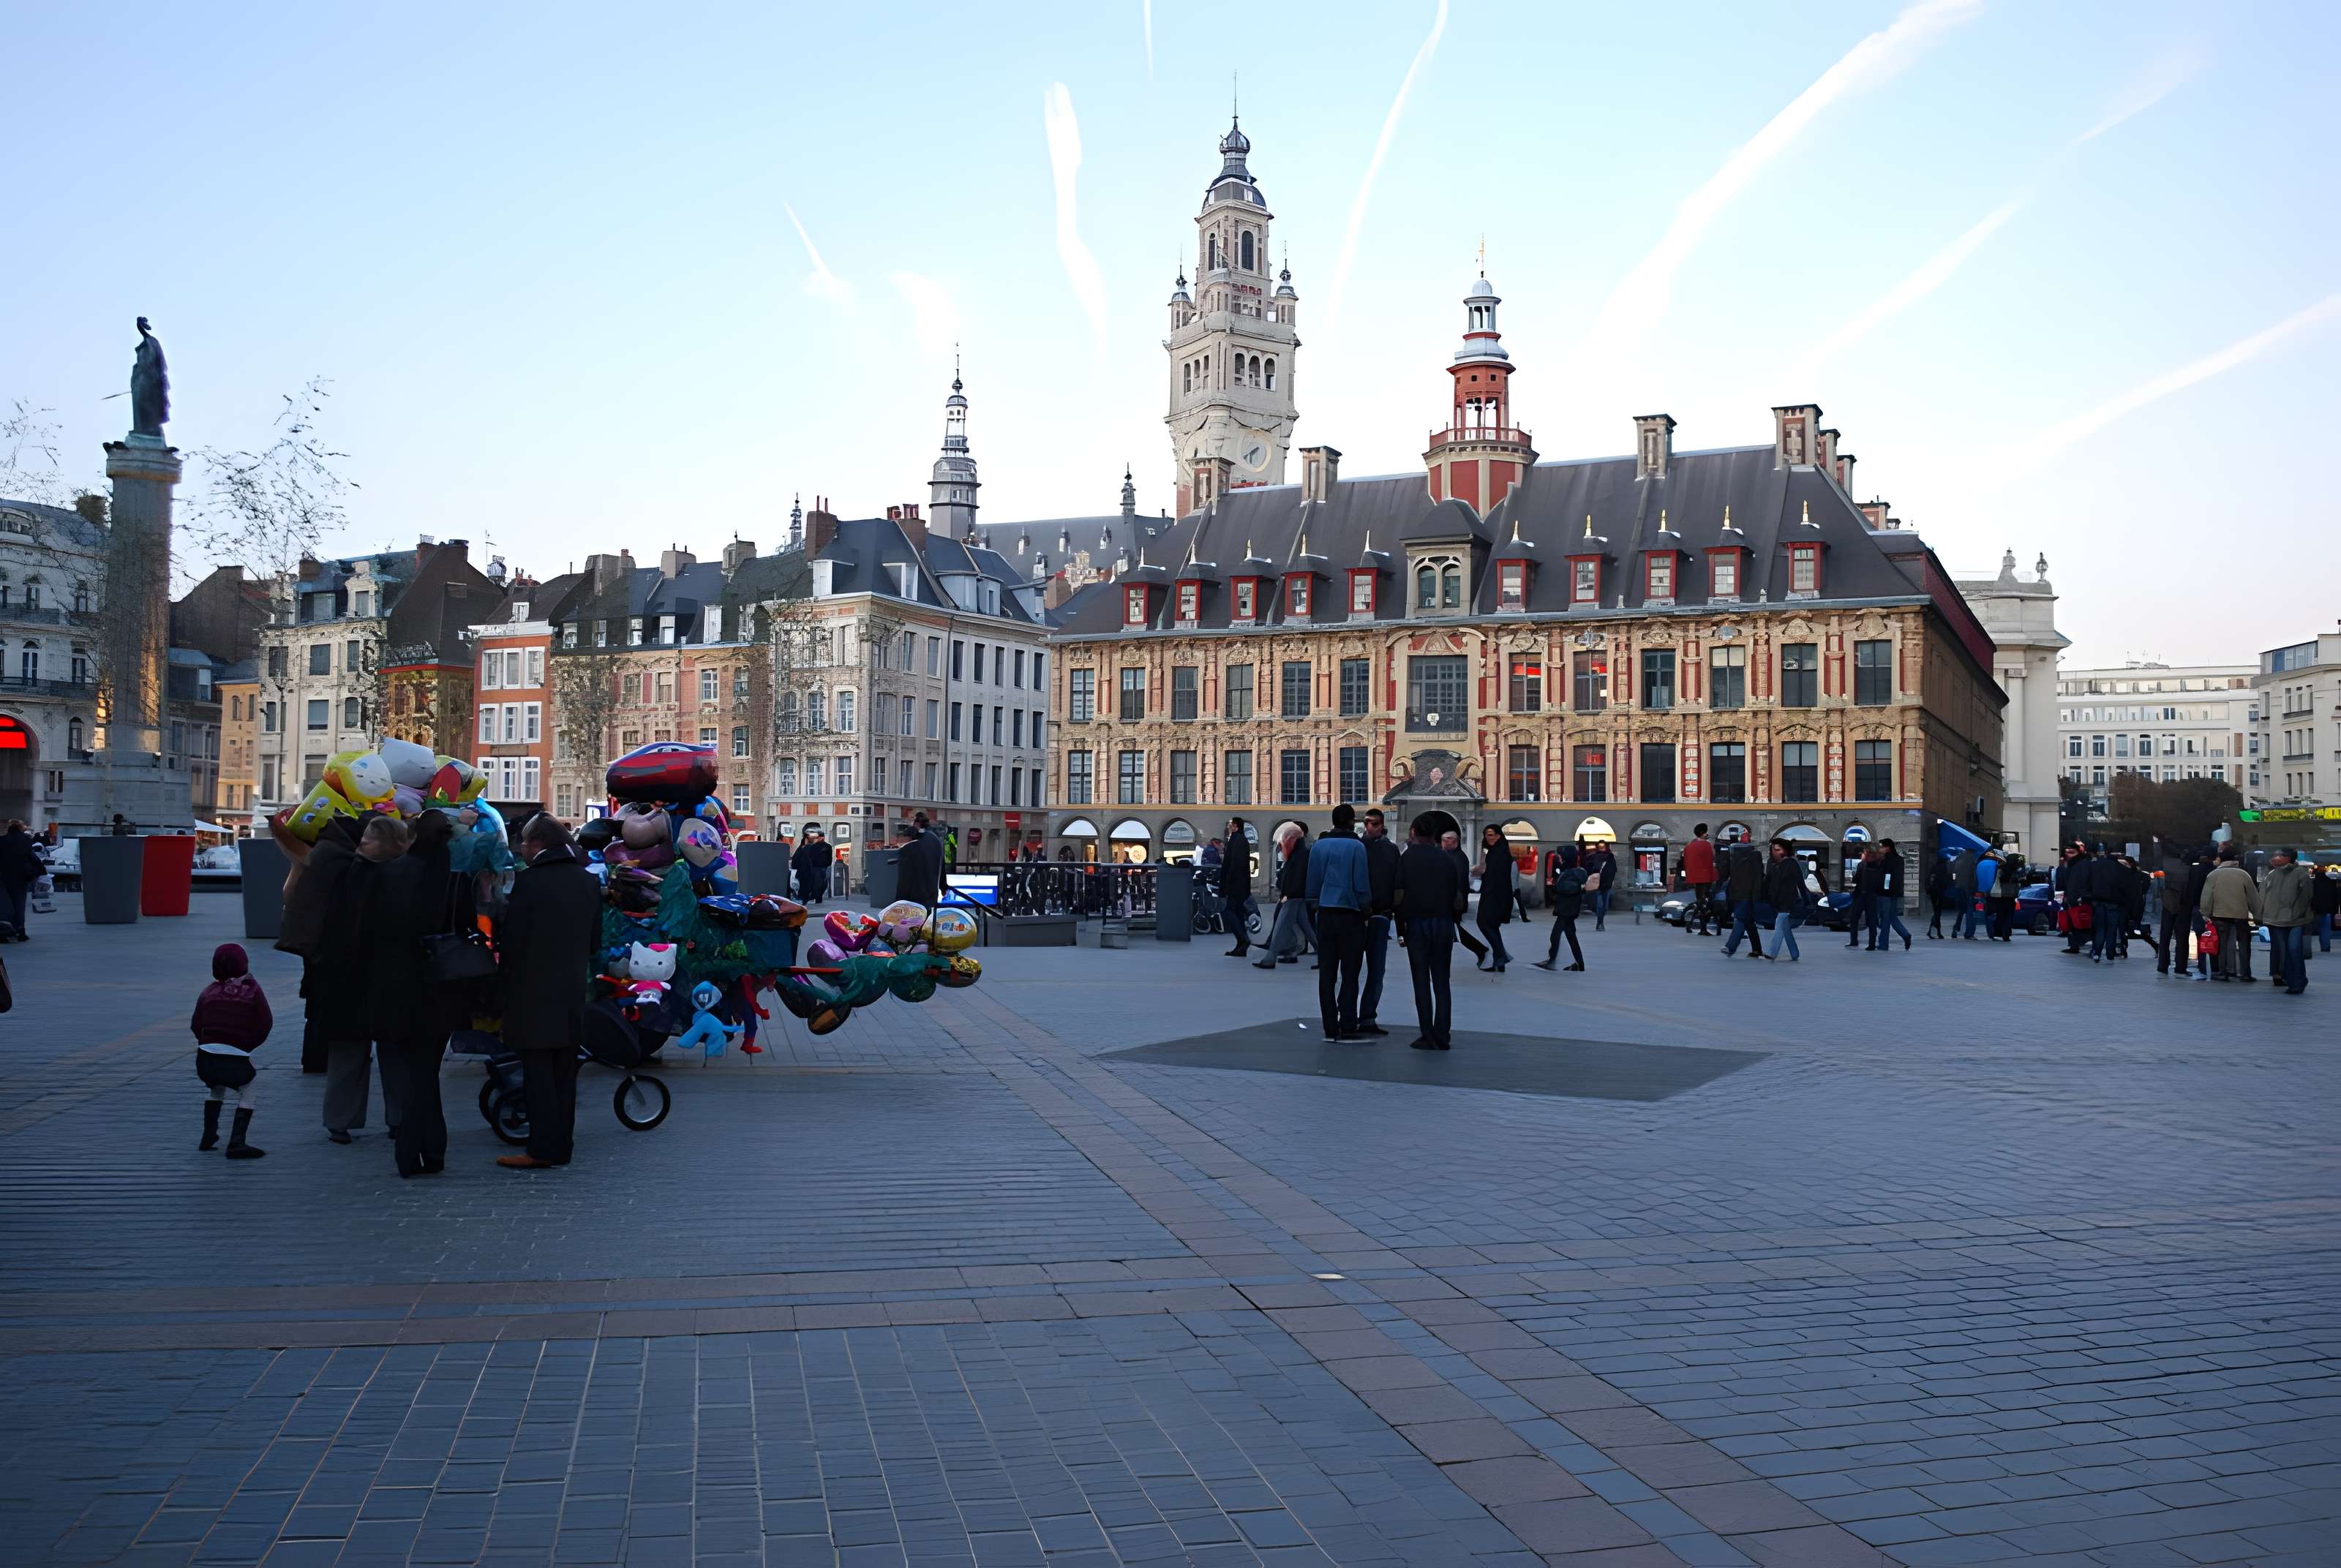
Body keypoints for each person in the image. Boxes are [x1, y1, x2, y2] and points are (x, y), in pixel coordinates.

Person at [495, 815, 604, 1169]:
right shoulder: (587, 882)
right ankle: (562, 1145)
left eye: (524, 843)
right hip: (571, 992)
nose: (521, 849)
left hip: (533, 993)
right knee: (564, 1075)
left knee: (538, 1074)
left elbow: (511, 942)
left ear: (538, 845)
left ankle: (540, 1148)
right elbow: (594, 942)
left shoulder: (530, 882)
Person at [367, 811, 468, 1177]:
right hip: (443, 988)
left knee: (414, 1072)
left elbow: (371, 934)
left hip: (398, 987)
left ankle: (411, 1151)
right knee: (427, 1070)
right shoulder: (456, 880)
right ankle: (430, 1149)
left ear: (411, 838)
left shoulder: (390, 875)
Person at [318, 816, 404, 1143]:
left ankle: (340, 1120)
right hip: (382, 979)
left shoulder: (347, 874)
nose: (364, 840)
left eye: (371, 836)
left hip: (350, 979)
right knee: (393, 1053)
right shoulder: (401, 876)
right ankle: (397, 1117)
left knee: (350, 1053)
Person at [192, 942, 272, 1160]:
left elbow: (196, 1023)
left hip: (205, 1059)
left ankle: (209, 1135)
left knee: (216, 1088)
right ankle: (237, 1142)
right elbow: (265, 1022)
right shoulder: (253, 989)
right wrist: (247, 1046)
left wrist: (206, 1042)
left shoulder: (208, 991)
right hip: (235, 1057)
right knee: (249, 1089)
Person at [1394, 819, 1466, 1049]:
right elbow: (1458, 896)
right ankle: (1443, 1034)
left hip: (1417, 924)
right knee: (1442, 982)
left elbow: (1398, 894)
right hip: (1443, 924)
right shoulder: (1445, 858)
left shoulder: (1407, 858)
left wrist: (1400, 928)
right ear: (1435, 836)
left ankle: (1427, 1033)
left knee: (1421, 981)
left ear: (1414, 833)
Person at [1304, 804, 1372, 1039]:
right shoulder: (1357, 847)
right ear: (1352, 822)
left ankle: (1330, 1024)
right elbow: (1361, 883)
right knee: (1351, 971)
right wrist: (1366, 909)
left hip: (1326, 913)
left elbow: (1312, 884)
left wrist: (1316, 905)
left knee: (1327, 972)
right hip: (1351, 914)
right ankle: (1348, 1021)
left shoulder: (1319, 847)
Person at [1356, 810, 1401, 1036]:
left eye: (1377, 823)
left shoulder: (1391, 850)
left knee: (1376, 970)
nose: (1374, 827)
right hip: (1356, 917)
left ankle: (1367, 1017)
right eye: (1371, 823)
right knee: (1353, 969)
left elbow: (1398, 882)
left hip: (1380, 915)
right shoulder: (1357, 847)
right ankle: (1347, 1014)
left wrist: (1393, 910)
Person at [2198, 846, 2260, 984]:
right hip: (2240, 914)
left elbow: (2207, 896)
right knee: (2244, 944)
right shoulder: (2244, 875)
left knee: (2223, 944)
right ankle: (2246, 973)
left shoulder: (2213, 875)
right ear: (2235, 859)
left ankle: (2223, 972)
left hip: (2220, 915)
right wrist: (2257, 915)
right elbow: (2253, 897)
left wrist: (2206, 912)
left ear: (2220, 859)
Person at [1254, 823, 1312, 968]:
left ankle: (1270, 958)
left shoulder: (1300, 855)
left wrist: (1287, 894)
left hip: (1293, 897)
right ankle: (1313, 953)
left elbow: (1296, 878)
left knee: (1280, 927)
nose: (1284, 841)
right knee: (1307, 929)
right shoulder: (1298, 853)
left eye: (1287, 838)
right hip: (1294, 897)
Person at [2261, 848, 2314, 996]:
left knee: (2294, 950)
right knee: (2285, 952)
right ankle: (2293, 981)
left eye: (2278, 855)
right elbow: (2264, 895)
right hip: (2276, 920)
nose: (2274, 858)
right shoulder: (2272, 874)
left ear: (2287, 857)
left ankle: (2298, 982)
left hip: (2296, 920)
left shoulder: (2300, 873)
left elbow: (2306, 896)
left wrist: (2297, 913)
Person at [1533, 843, 1586, 971]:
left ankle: (1552, 961)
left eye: (1561, 857)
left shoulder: (1571, 873)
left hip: (1567, 909)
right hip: (1568, 908)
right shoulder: (1569, 872)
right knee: (1570, 936)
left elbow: (1568, 889)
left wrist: (1557, 888)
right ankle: (1579, 964)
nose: (1560, 859)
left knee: (1555, 935)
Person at [1440, 831, 1490, 965]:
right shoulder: (1450, 856)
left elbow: (1457, 881)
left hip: (1452, 901)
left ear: (1455, 842)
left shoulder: (1457, 858)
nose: (1445, 842)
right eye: (1444, 839)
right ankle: (1481, 950)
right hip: (1451, 901)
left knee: (1452, 932)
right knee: (1453, 931)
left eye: (1449, 839)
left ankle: (1481, 950)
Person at [1473, 825, 1515, 973]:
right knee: (1492, 925)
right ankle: (1500, 960)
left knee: (1484, 923)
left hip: (1495, 894)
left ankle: (1501, 956)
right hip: (1497, 893)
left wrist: (1482, 874)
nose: (1488, 838)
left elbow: (1496, 876)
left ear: (1499, 836)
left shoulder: (1499, 852)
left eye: (1491, 835)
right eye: (1486, 835)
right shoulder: (1498, 850)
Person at [1720, 840, 1765, 960]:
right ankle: (1757, 950)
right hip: (1740, 895)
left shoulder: (1750, 859)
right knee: (1749, 923)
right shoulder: (1735, 861)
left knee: (1740, 919)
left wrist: (1756, 896)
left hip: (1746, 896)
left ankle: (1730, 947)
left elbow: (1757, 879)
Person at [1762, 840, 1805, 961]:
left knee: (1780, 924)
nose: (1775, 852)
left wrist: (1807, 901)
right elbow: (1768, 881)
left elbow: (1801, 883)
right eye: (1774, 849)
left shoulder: (1792, 864)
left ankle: (1772, 952)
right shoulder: (1772, 863)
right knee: (1785, 927)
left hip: (1788, 898)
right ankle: (1794, 953)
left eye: (1778, 849)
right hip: (1775, 899)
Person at [1220, 818, 1257, 957]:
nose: (1228, 826)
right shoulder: (1237, 839)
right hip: (1238, 884)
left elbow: (1235, 864)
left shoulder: (1239, 840)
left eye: (1230, 824)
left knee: (1230, 911)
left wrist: (1228, 883)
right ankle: (1241, 946)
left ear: (1235, 825)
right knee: (1238, 914)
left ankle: (1244, 939)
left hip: (1236, 885)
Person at [0, 818, 40, 942]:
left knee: (4, 905)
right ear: (20, 828)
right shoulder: (25, 840)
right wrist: (41, 871)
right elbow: (32, 857)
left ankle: (4, 932)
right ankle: (21, 931)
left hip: (4, 878)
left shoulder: (2, 841)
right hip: (21, 878)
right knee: (19, 904)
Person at [894, 814, 944, 910]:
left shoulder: (909, 848)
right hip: (931, 895)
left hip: (913, 899)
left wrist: (898, 901)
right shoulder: (936, 840)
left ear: (916, 824)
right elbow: (942, 866)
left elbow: (905, 878)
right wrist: (943, 886)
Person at [1873, 840, 1913, 950]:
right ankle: (1905, 935)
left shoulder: (1885, 860)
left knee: (1885, 919)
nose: (1880, 849)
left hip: (1885, 893)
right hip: (1895, 893)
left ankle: (1883, 944)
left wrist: (1883, 888)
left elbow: (1885, 877)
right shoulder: (1900, 860)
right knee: (1892, 918)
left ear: (1888, 848)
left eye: (1881, 847)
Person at [1680, 824, 1717, 936]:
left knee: (1700, 901)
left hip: (1695, 877)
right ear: (1703, 833)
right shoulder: (1707, 845)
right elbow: (1712, 857)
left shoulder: (1689, 846)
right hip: (1706, 876)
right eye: (1706, 832)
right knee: (1704, 901)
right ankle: (1702, 927)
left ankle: (1691, 923)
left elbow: (1686, 861)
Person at [1848, 845, 1883, 949]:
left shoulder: (1862, 865)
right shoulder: (1879, 866)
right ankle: (1871, 944)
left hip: (1860, 895)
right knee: (1871, 921)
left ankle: (1854, 941)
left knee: (1854, 919)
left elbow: (1855, 879)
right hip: (1873, 896)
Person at [1983, 848, 2020, 941]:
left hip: (2001, 895)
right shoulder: (2014, 872)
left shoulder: (2001, 869)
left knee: (2001, 914)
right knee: (2009, 915)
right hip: (2011, 897)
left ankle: (1998, 932)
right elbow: (2017, 886)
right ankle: (2006, 934)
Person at [1582, 840, 1619, 930]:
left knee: (1604, 907)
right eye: (1600, 846)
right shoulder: (1593, 857)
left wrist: (1609, 880)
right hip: (1596, 885)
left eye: (1603, 846)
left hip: (1606, 885)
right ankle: (1600, 923)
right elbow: (1588, 868)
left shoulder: (1610, 857)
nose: (1602, 847)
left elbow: (1614, 870)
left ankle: (1600, 922)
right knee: (1600, 905)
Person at [792, 829, 831, 905]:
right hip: (812, 871)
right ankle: (813, 899)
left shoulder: (805, 848)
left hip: (807, 872)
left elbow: (796, 860)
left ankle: (805, 900)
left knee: (805, 888)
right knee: (817, 885)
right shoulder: (810, 848)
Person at [1950, 848, 1980, 940]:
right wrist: (1974, 890)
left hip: (1959, 888)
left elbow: (1954, 874)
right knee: (1970, 912)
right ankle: (1969, 933)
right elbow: (1973, 878)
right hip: (1968, 890)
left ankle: (1956, 929)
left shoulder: (1959, 860)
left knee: (1962, 910)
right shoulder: (1971, 861)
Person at [2312, 862, 2340, 955]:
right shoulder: (2331, 882)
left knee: (2308, 930)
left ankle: (2306, 948)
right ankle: (2325, 948)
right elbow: (2335, 897)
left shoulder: (2313, 882)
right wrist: (2335, 910)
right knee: (2325, 930)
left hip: (2314, 909)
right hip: (2327, 910)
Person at [1925, 851, 1954, 939]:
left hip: (1933, 892)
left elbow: (1928, 880)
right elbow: (1945, 880)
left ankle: (1935, 931)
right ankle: (1933, 931)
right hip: (1939, 891)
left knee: (1936, 912)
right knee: (1937, 913)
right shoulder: (1943, 868)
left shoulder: (1934, 867)